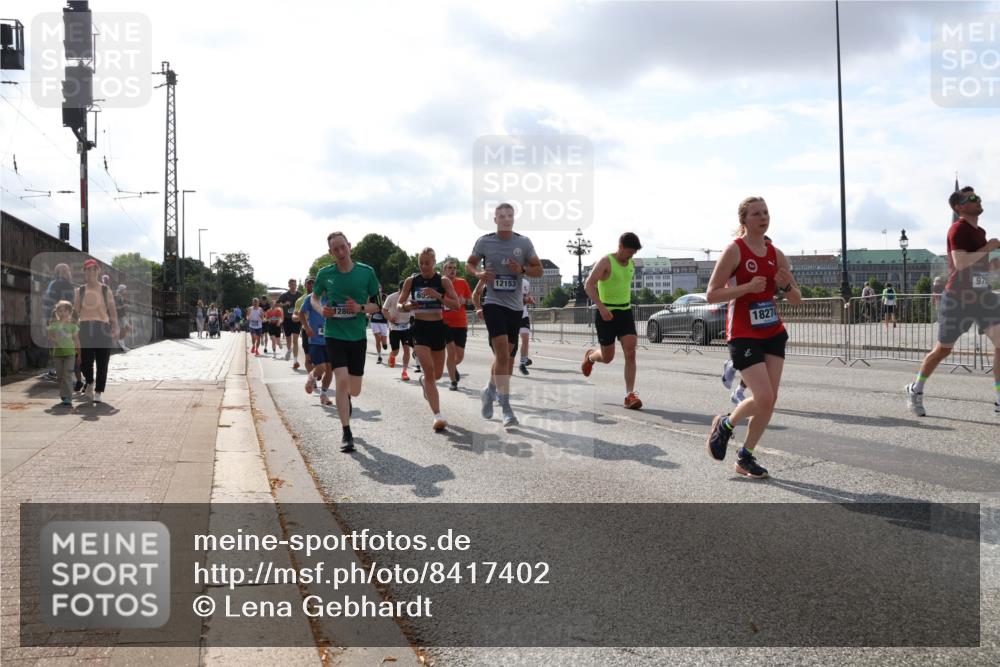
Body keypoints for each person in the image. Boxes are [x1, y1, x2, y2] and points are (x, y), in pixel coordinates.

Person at [704, 196, 802, 479]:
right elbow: (712, 293)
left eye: (766, 212)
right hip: (743, 332)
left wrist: (784, 286)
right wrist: (746, 287)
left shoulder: (776, 254)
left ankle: (745, 456)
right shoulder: (734, 251)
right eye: (756, 213)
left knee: (769, 400)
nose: (763, 217)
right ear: (744, 220)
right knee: (764, 396)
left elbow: (797, 299)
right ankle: (726, 424)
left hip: (772, 331)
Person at [906, 187, 1000, 416]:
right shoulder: (957, 229)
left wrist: (994, 262)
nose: (978, 201)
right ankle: (915, 389)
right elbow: (960, 263)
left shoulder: (981, 231)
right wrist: (988, 247)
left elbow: (982, 265)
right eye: (972, 198)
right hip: (957, 298)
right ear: (959, 207)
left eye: (978, 197)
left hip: (982, 296)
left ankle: (999, 399)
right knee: (943, 350)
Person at [466, 202, 543, 427]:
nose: (506, 218)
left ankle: (489, 391)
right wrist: (479, 273)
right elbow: (469, 264)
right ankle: (507, 408)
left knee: (507, 359)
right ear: (495, 219)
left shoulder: (524, 242)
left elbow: (537, 269)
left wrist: (521, 270)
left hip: (515, 307)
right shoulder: (485, 241)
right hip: (493, 303)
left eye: (509, 215)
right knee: (501, 354)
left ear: (513, 218)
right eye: (501, 215)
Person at [313, 231, 382, 452]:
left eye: (343, 247)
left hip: (357, 337)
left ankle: (347, 400)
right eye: (336, 249)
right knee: (341, 380)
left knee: (355, 388)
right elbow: (314, 298)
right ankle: (346, 432)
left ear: (349, 246)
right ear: (330, 252)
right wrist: (320, 309)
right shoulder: (325, 274)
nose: (340, 252)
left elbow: (377, 305)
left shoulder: (366, 273)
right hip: (334, 334)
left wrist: (360, 308)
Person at [399, 248, 461, 432]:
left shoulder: (442, 281)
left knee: (436, 375)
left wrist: (438, 296)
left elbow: (456, 304)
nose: (424, 266)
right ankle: (437, 415)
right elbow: (399, 305)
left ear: (434, 262)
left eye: (427, 262)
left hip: (437, 328)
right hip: (419, 328)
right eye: (421, 263)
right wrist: (407, 305)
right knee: (428, 369)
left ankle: (425, 382)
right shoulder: (412, 281)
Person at [581, 232, 644, 410]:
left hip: (625, 312)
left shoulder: (631, 263)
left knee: (630, 352)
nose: (631, 256)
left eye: (634, 253)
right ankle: (591, 356)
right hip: (606, 313)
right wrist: (601, 306)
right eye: (629, 252)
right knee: (607, 357)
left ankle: (629, 395)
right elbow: (588, 284)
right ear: (620, 246)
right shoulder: (606, 261)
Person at [74, 258, 119, 403]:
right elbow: (75, 313)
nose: (91, 272)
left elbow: (112, 311)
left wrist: (115, 327)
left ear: (98, 271)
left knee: (102, 362)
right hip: (85, 328)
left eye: (94, 269)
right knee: (84, 362)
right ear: (84, 272)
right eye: (88, 269)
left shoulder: (106, 290)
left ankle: (98, 391)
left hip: (103, 328)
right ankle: (90, 381)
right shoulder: (80, 291)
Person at [299, 277, 334, 406]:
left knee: (330, 370)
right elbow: (301, 314)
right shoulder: (311, 298)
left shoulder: (332, 298)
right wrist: (307, 327)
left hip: (331, 340)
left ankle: (323, 395)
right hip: (315, 340)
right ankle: (312, 377)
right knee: (321, 368)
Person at [441, 260, 472, 391]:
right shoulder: (440, 283)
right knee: (451, 351)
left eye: (454, 268)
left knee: (459, 357)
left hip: (461, 323)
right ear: (444, 270)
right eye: (449, 268)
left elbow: (470, 300)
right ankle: (453, 382)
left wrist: (464, 300)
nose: (452, 270)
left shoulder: (462, 282)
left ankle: (453, 368)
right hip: (445, 323)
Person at [42, 263, 76, 380]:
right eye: (67, 271)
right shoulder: (66, 284)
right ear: (64, 272)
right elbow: (70, 302)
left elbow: (47, 302)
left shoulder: (52, 283)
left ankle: (56, 369)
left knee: (54, 343)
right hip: (63, 317)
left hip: (53, 317)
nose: (69, 273)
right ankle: (64, 369)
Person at [47, 300, 80, 406]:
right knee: (60, 376)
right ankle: (64, 393)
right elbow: (50, 336)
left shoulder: (72, 325)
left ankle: (68, 396)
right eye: (60, 311)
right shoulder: (54, 324)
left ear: (70, 312)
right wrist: (54, 340)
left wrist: (79, 352)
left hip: (70, 353)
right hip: (57, 354)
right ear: (57, 312)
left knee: (67, 375)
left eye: (65, 311)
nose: (62, 313)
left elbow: (76, 339)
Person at [383, 286, 415, 381]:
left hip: (406, 327)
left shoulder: (411, 297)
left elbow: (414, 310)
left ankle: (404, 372)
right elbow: (384, 310)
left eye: (407, 291)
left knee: (406, 349)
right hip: (394, 327)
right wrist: (389, 318)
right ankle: (391, 356)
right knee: (396, 351)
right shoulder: (391, 297)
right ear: (399, 289)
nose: (404, 293)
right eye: (402, 290)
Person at [278, 279, 302, 369]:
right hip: (287, 319)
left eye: (294, 284)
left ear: (296, 285)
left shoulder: (300, 295)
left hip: (296, 319)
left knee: (295, 340)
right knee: (288, 339)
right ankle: (289, 350)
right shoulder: (284, 295)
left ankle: (295, 361)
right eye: (291, 284)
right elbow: (277, 304)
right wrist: (284, 304)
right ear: (289, 285)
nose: (293, 286)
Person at [518, 278, 535, 375]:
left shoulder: (526, 282)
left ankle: (522, 363)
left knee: (525, 338)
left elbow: (529, 295)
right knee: (510, 344)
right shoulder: (509, 280)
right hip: (511, 315)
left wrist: (530, 299)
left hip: (524, 315)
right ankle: (504, 361)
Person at [369, 288, 389, 364]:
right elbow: (368, 305)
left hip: (383, 322)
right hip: (374, 321)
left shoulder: (385, 297)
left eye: (380, 289)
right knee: (377, 339)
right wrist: (369, 313)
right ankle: (379, 356)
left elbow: (388, 307)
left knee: (384, 343)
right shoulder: (372, 297)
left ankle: (384, 343)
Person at [114, 285, 132, 350]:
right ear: (121, 290)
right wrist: (124, 306)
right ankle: (122, 345)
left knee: (128, 328)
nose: (125, 291)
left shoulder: (121, 297)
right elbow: (116, 307)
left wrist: (125, 307)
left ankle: (121, 342)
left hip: (123, 315)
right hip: (119, 316)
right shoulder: (117, 297)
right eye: (125, 289)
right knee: (123, 329)